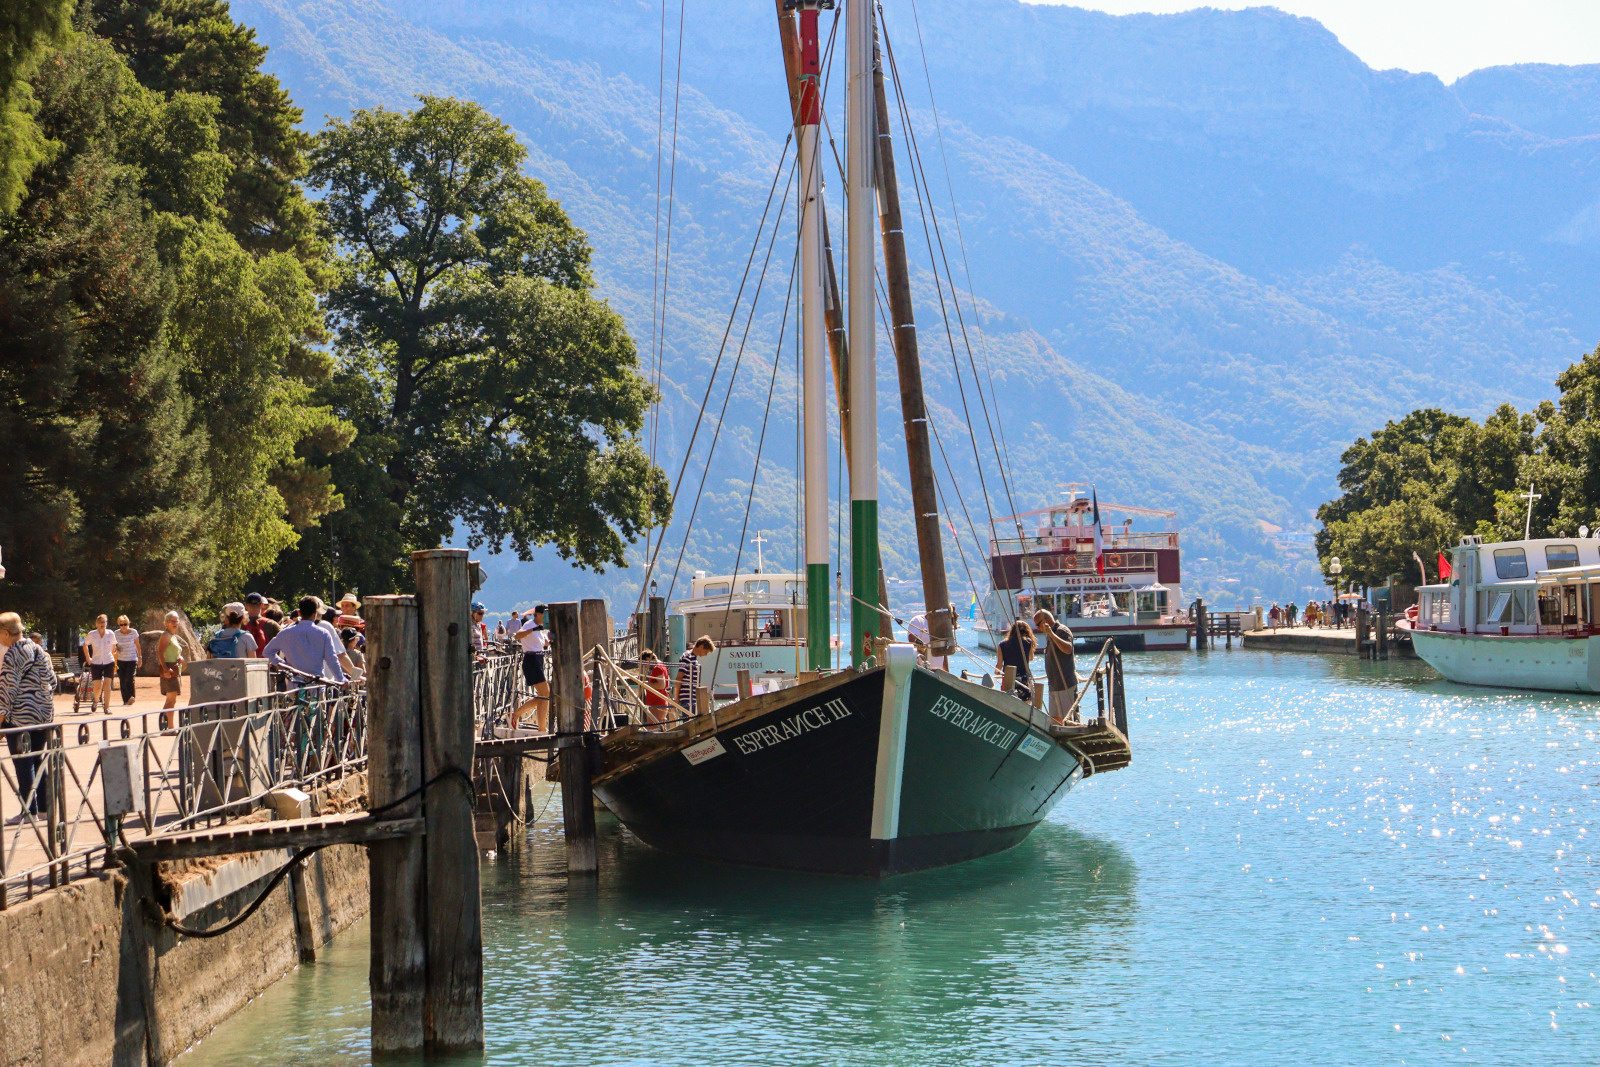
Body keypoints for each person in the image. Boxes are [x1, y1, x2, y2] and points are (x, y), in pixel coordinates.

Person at [0, 613, 55, 823]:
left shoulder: (13, 654)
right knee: (37, 760)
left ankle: (29, 812)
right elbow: (52, 680)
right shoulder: (38, 649)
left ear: (6, 633)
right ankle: (44, 809)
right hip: (43, 716)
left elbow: (7, 691)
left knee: (23, 764)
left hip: (22, 717)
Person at [262, 597, 348, 686]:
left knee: (293, 699)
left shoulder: (285, 633)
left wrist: (286, 665)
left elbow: (267, 652)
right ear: (315, 613)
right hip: (316, 686)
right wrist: (340, 679)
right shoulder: (323, 634)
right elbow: (332, 660)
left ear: (299, 613)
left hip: (294, 684)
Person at [1033, 608, 1079, 721]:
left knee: (1065, 720)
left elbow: (1068, 649)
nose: (1038, 629)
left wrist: (1052, 634)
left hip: (1064, 685)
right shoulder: (1051, 633)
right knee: (1054, 720)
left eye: (1038, 625)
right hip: (1055, 685)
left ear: (1046, 621)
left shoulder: (1062, 630)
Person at [512, 606, 550, 730]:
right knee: (545, 694)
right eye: (545, 614)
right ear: (538, 614)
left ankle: (519, 715)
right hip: (531, 660)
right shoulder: (530, 624)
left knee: (543, 695)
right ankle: (541, 727)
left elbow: (544, 643)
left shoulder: (541, 628)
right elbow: (517, 636)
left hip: (539, 659)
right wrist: (533, 629)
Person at [156, 611, 186, 727]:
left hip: (175, 669)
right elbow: (160, 652)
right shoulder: (166, 635)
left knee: (172, 700)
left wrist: (180, 657)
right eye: (172, 621)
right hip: (169, 670)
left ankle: (166, 726)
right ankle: (170, 728)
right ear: (166, 623)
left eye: (176, 621)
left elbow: (173, 652)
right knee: (170, 701)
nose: (175, 623)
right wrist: (165, 669)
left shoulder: (172, 636)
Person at [82, 614, 116, 712]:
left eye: (104, 622)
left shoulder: (110, 634)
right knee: (97, 686)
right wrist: (88, 658)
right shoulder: (92, 634)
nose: (102, 624)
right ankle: (96, 701)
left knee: (107, 685)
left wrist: (111, 655)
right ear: (97, 624)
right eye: (100, 622)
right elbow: (85, 645)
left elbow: (113, 646)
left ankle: (107, 707)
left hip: (108, 661)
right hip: (96, 662)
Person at [995, 619, 1035, 701]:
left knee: (1007, 700)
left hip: (1008, 678)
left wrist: (996, 672)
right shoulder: (1028, 642)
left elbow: (999, 664)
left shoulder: (1002, 645)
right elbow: (1030, 658)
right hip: (1024, 678)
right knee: (1025, 702)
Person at [675, 637, 715, 714]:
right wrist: (677, 698)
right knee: (689, 721)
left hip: (692, 697)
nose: (706, 654)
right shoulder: (688, 657)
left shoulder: (693, 659)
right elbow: (679, 678)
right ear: (701, 647)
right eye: (706, 651)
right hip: (688, 698)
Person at [113, 614, 141, 706]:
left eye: (125, 624)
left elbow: (137, 645)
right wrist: (116, 648)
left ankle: (131, 697)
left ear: (128, 623)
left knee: (130, 678)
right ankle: (125, 700)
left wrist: (140, 657)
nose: (123, 626)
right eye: (121, 625)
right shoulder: (116, 633)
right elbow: (113, 645)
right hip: (121, 659)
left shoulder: (133, 632)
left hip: (132, 659)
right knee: (122, 679)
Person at [638, 649, 671, 725]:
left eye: (644, 664)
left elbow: (661, 685)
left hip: (657, 704)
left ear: (647, 659)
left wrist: (645, 684)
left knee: (654, 728)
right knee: (660, 727)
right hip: (659, 703)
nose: (644, 667)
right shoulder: (662, 665)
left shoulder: (657, 668)